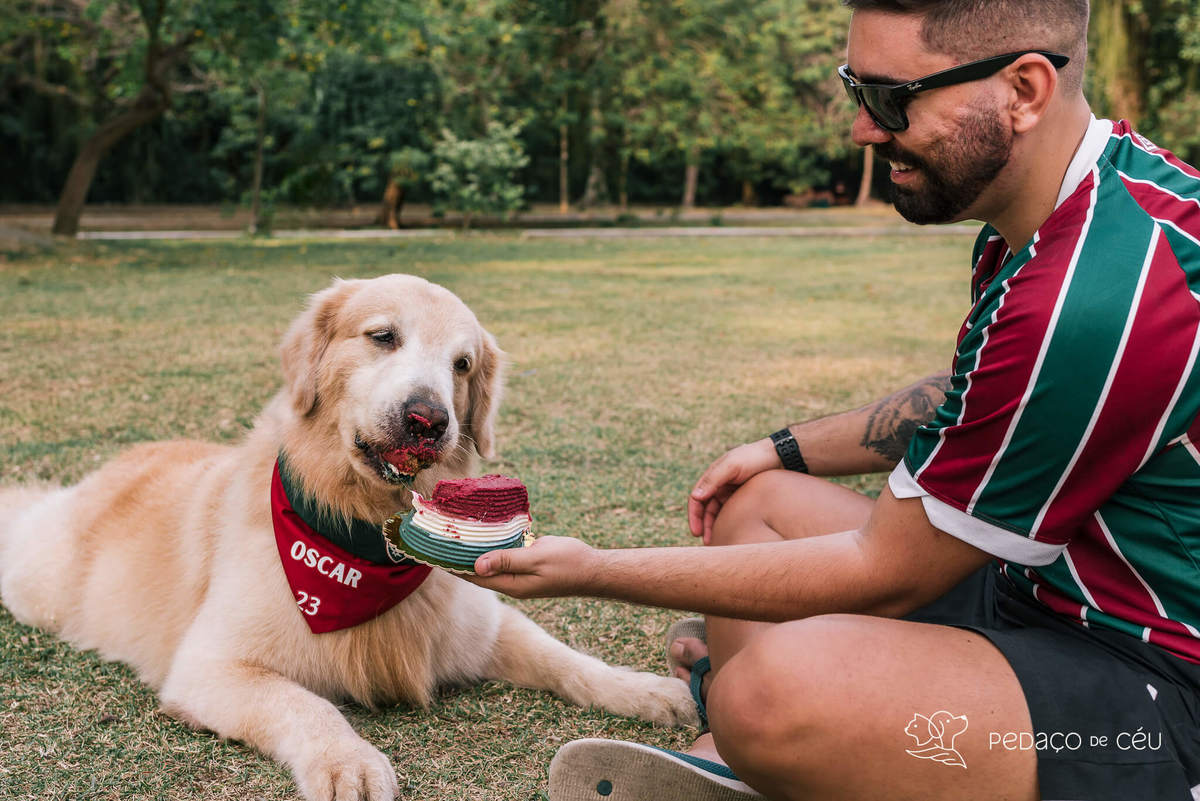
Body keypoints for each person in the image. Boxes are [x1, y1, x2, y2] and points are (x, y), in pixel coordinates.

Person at [469, 1, 1200, 799]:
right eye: (857, 89)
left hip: (1157, 682)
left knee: (775, 693)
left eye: (892, 99)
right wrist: (780, 448)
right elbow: (978, 396)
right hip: (1046, 592)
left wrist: (593, 569)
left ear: (1024, 90)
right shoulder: (1077, 204)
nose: (862, 129)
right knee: (756, 506)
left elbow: (883, 570)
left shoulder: (1095, 293)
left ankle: (764, 731)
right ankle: (760, 745)